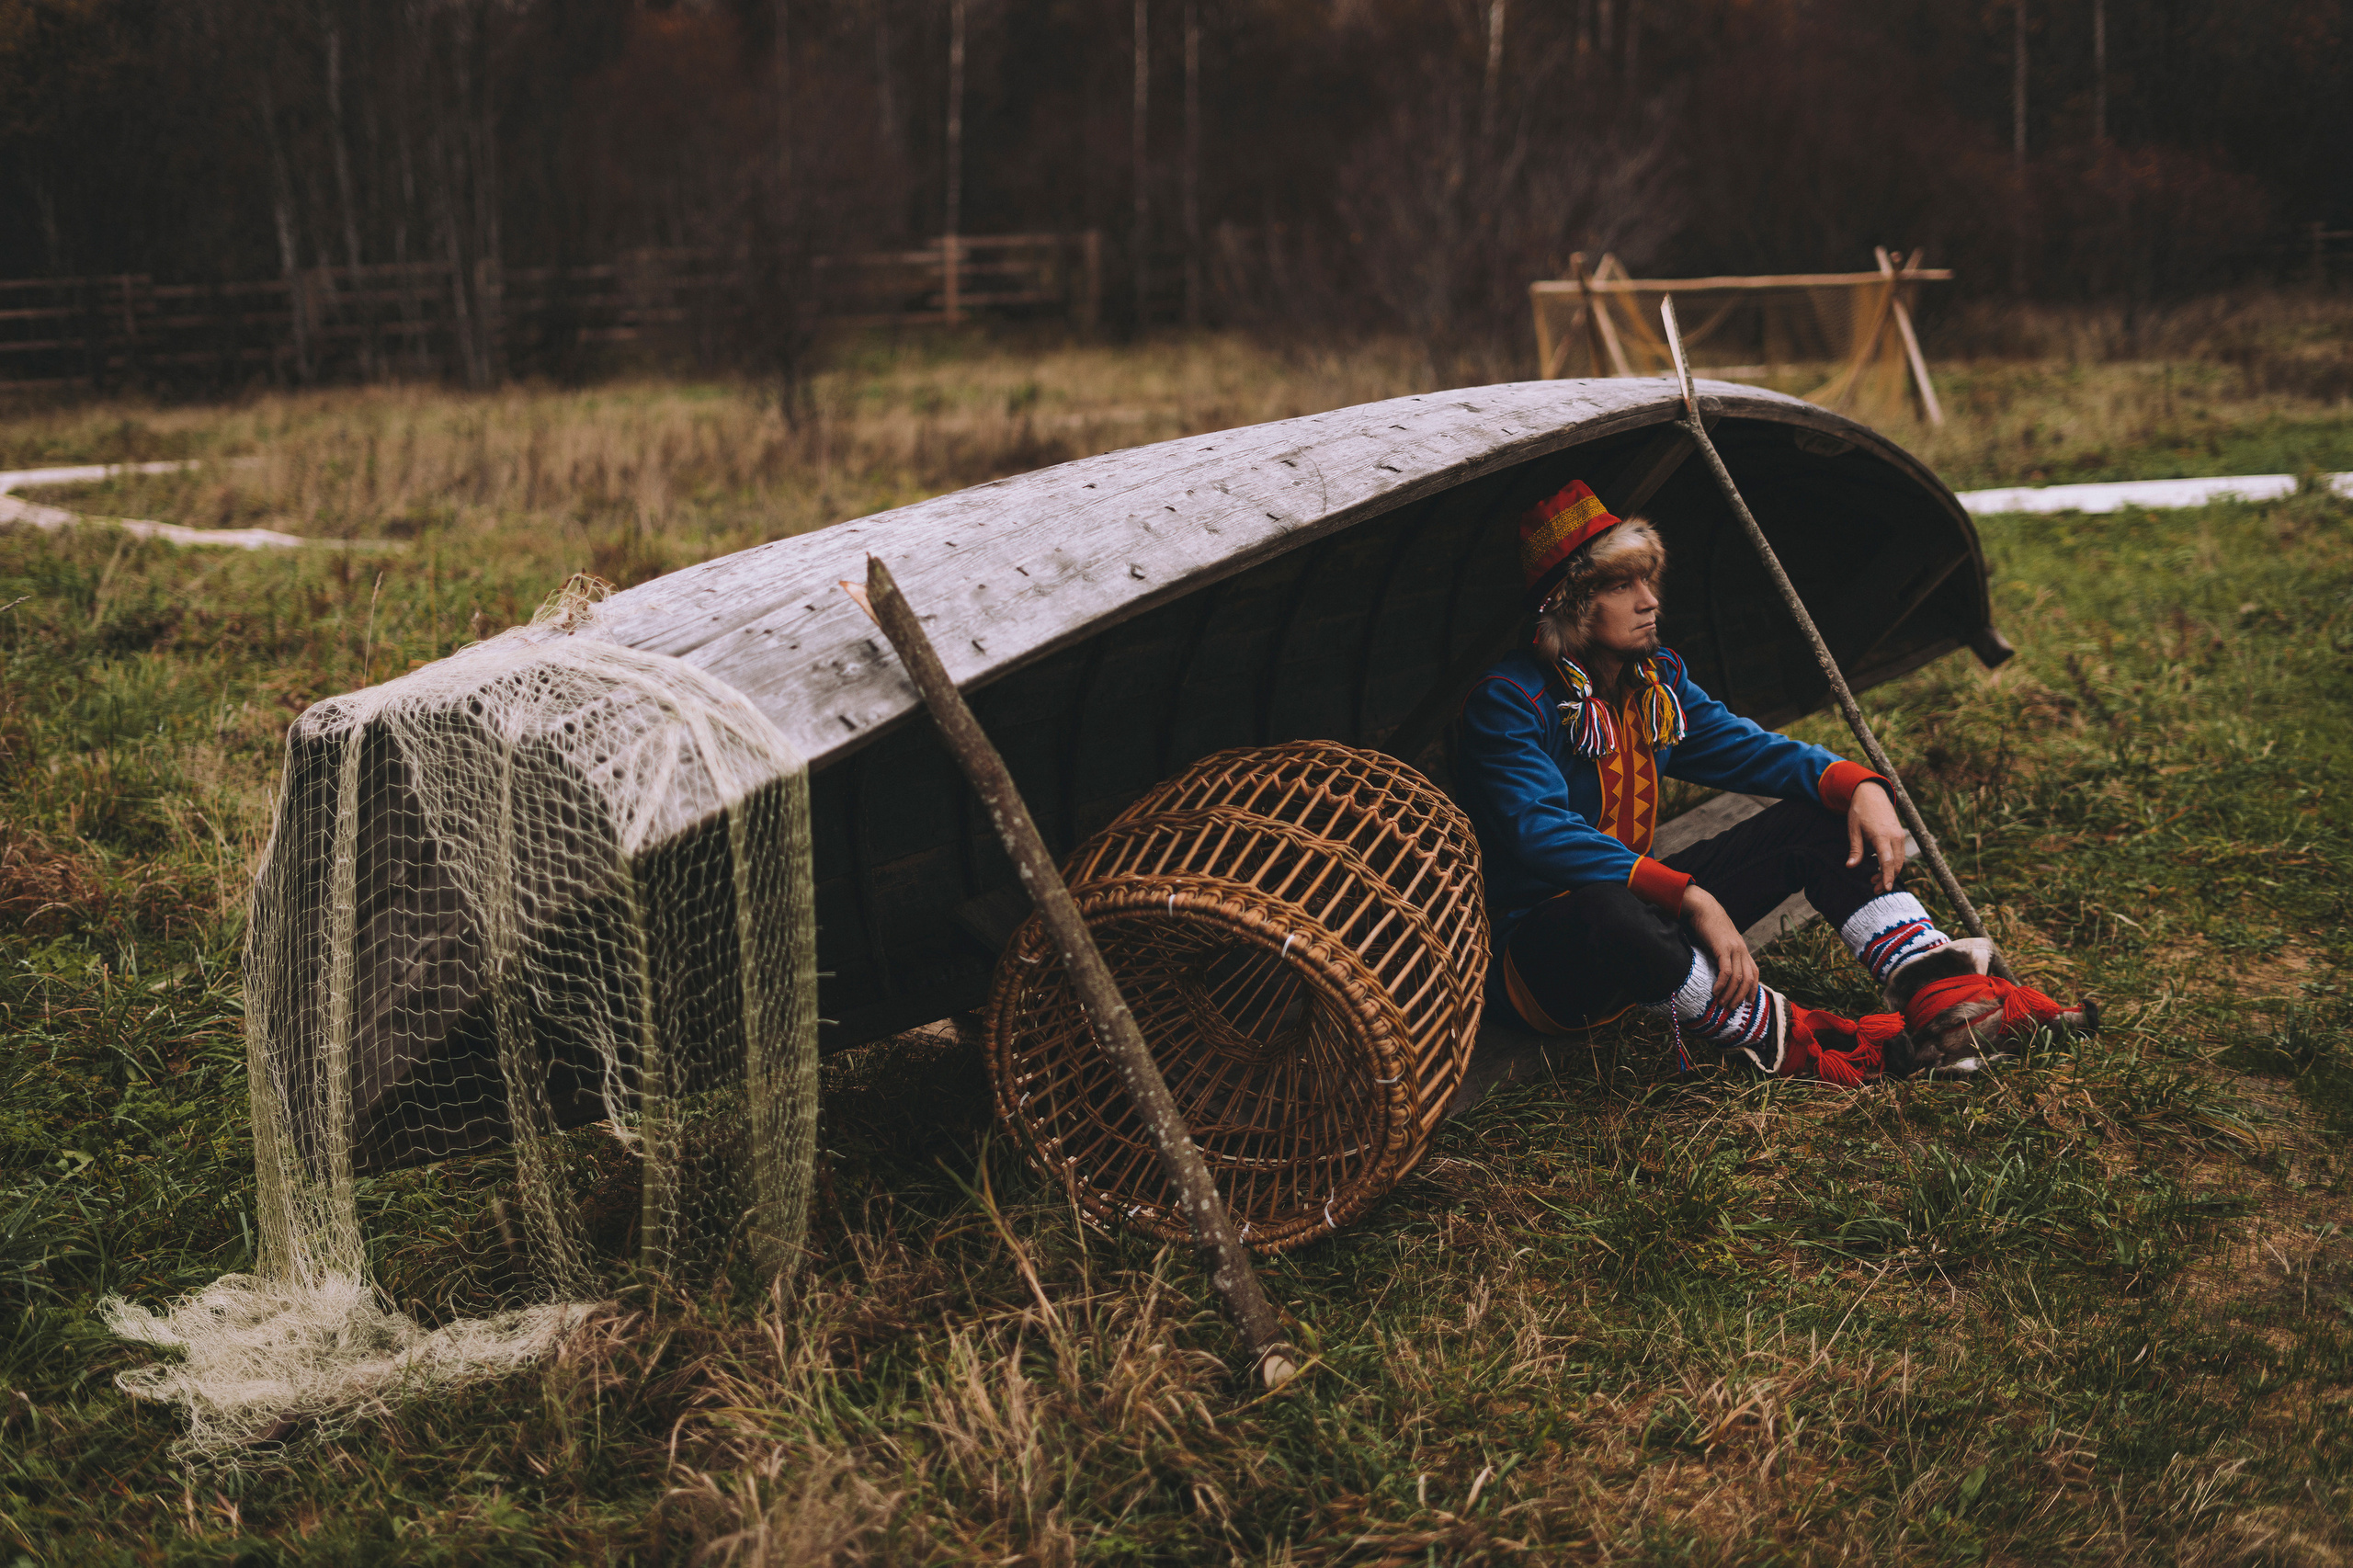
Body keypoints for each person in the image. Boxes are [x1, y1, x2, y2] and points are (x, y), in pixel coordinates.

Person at [1451, 479, 2093, 1083]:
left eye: (1648, 579)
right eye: (1621, 586)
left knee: (1815, 819)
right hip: (1544, 960)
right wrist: (1691, 899)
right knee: (1607, 906)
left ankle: (1950, 1009)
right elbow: (1540, 833)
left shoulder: (1652, 686)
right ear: (1567, 604)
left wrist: (1859, 785)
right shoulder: (1511, 701)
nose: (1649, 601)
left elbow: (1754, 752)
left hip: (1649, 924)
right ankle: (1806, 1045)